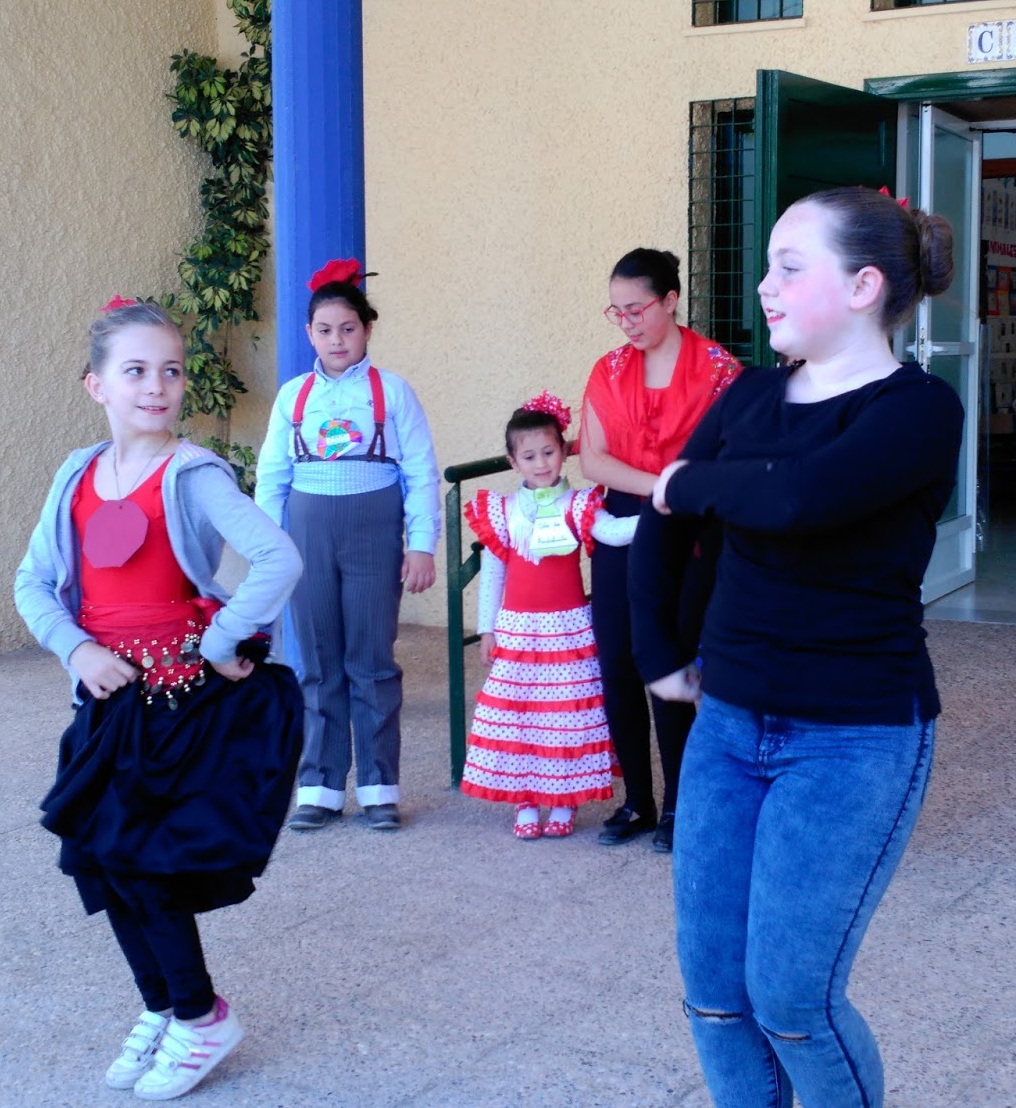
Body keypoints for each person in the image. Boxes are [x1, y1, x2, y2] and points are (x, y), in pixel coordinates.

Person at [630, 186, 963, 1107]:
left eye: (788, 266)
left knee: (792, 1002)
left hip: (854, 739)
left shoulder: (919, 409)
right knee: (714, 997)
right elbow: (664, 523)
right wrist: (658, 653)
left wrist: (694, 480)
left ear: (863, 286)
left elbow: (798, 499)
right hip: (728, 724)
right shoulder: (752, 395)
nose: (764, 287)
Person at [16, 298, 304, 1101]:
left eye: (170, 371)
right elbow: (33, 580)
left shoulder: (191, 473)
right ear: (96, 385)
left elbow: (277, 559)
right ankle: (164, 1006)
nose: (156, 386)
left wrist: (220, 641)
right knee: (101, 860)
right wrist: (76, 648)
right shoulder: (75, 475)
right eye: (136, 371)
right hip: (107, 703)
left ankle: (201, 1014)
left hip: (177, 706)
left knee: (140, 862)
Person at [256, 259, 441, 832]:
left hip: (374, 532)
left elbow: (421, 472)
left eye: (348, 328)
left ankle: (379, 788)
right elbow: (271, 479)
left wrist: (421, 544)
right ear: (309, 334)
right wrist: (268, 552)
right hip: (307, 535)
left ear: (367, 329)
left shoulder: (394, 392)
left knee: (371, 659)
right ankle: (320, 787)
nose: (337, 339)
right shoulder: (293, 396)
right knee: (316, 661)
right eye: (325, 330)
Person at [578, 248, 740, 850]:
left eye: (636, 308)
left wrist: (673, 491)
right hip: (622, 524)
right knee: (618, 663)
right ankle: (636, 802)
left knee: (668, 662)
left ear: (670, 300)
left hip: (691, 531)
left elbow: (729, 456)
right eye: (616, 311)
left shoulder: (718, 369)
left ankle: (679, 805)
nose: (626, 322)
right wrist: (662, 484)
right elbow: (593, 460)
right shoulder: (608, 369)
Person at [460, 392, 637, 839]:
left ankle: (563, 799)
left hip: (568, 630)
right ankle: (526, 798)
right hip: (518, 633)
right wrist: (486, 630)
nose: (541, 463)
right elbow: (493, 574)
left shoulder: (578, 504)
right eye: (529, 456)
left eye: (549, 452)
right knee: (520, 715)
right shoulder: (502, 511)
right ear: (512, 461)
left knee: (565, 716)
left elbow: (614, 533)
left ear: (564, 451)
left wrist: (657, 513)